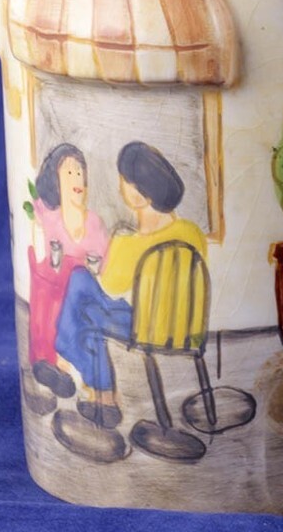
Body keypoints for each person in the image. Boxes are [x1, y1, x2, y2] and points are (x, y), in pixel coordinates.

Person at [55, 141, 207, 428]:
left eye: (124, 180)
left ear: (137, 190)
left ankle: (92, 385)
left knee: (81, 292)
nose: (121, 186)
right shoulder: (192, 233)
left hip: (145, 328)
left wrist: (102, 263)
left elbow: (109, 287)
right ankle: (102, 397)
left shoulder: (129, 243)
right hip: (188, 329)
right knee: (86, 304)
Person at [28, 144, 108, 398]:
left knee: (69, 291)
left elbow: (102, 267)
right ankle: (48, 362)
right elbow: (33, 208)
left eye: (80, 173)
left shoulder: (94, 222)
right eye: (70, 173)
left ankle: (61, 365)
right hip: (56, 282)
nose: (77, 180)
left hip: (82, 288)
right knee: (46, 289)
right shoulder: (48, 216)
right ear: (56, 181)